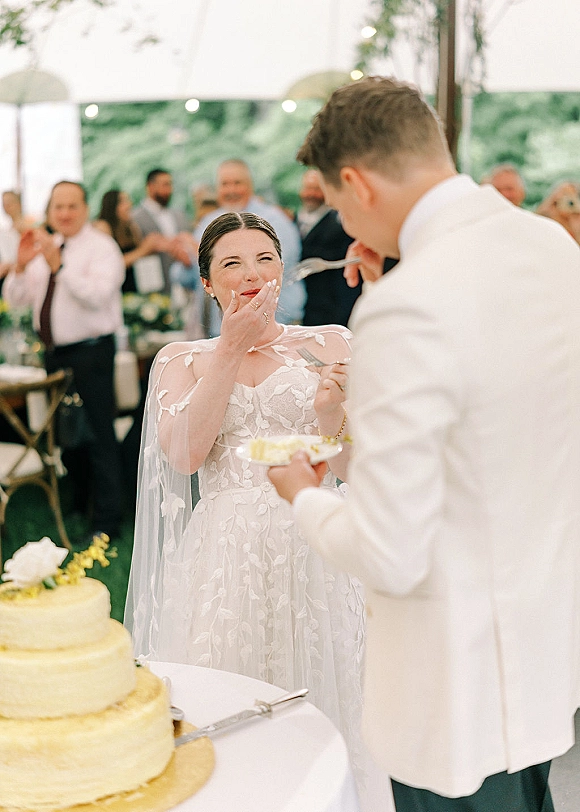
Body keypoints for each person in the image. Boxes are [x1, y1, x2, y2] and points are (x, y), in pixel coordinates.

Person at [269, 76, 580, 812]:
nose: (343, 220)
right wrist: (388, 288)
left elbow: (389, 549)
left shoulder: (411, 306)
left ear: (355, 183)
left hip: (450, 693)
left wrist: (305, 496)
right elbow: (489, 405)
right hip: (538, 661)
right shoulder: (551, 245)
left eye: (337, 203)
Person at [125, 211, 369, 787]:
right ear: (207, 283)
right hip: (225, 557)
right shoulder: (180, 359)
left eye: (264, 259)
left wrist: (332, 418)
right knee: (230, 710)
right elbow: (185, 456)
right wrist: (229, 350)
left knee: (327, 701)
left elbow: (359, 469)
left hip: (316, 540)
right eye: (231, 264)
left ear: (283, 270)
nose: (250, 274)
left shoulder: (332, 343)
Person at [3, 180, 125, 541]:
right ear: (50, 211)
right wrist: (22, 267)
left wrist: (60, 267)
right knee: (68, 436)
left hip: (92, 351)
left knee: (100, 435)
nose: (65, 213)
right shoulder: (47, 246)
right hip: (55, 354)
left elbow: (99, 297)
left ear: (85, 209)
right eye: (58, 207)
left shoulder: (102, 248)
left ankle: (107, 522)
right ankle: (78, 505)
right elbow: (19, 300)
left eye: (72, 206)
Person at [194, 159, 303, 334]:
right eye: (225, 184)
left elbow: (279, 266)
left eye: (237, 183)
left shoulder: (274, 220)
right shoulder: (206, 223)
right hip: (221, 328)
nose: (231, 190)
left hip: (276, 325)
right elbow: (192, 276)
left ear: (250, 185)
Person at [296, 168, 361, 327]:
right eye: (307, 188)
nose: (310, 193)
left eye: (316, 189)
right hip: (307, 307)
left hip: (332, 309)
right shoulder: (294, 219)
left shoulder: (341, 224)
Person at [132, 168, 197, 294]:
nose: (169, 190)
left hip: (184, 286)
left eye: (170, 184)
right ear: (150, 187)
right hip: (152, 286)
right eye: (165, 185)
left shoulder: (179, 215)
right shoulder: (134, 218)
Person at [94, 188, 167, 292]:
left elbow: (140, 252)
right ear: (112, 206)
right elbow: (111, 264)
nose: (130, 204)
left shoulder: (131, 227)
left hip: (136, 288)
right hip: (117, 290)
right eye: (124, 201)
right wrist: (144, 249)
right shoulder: (103, 227)